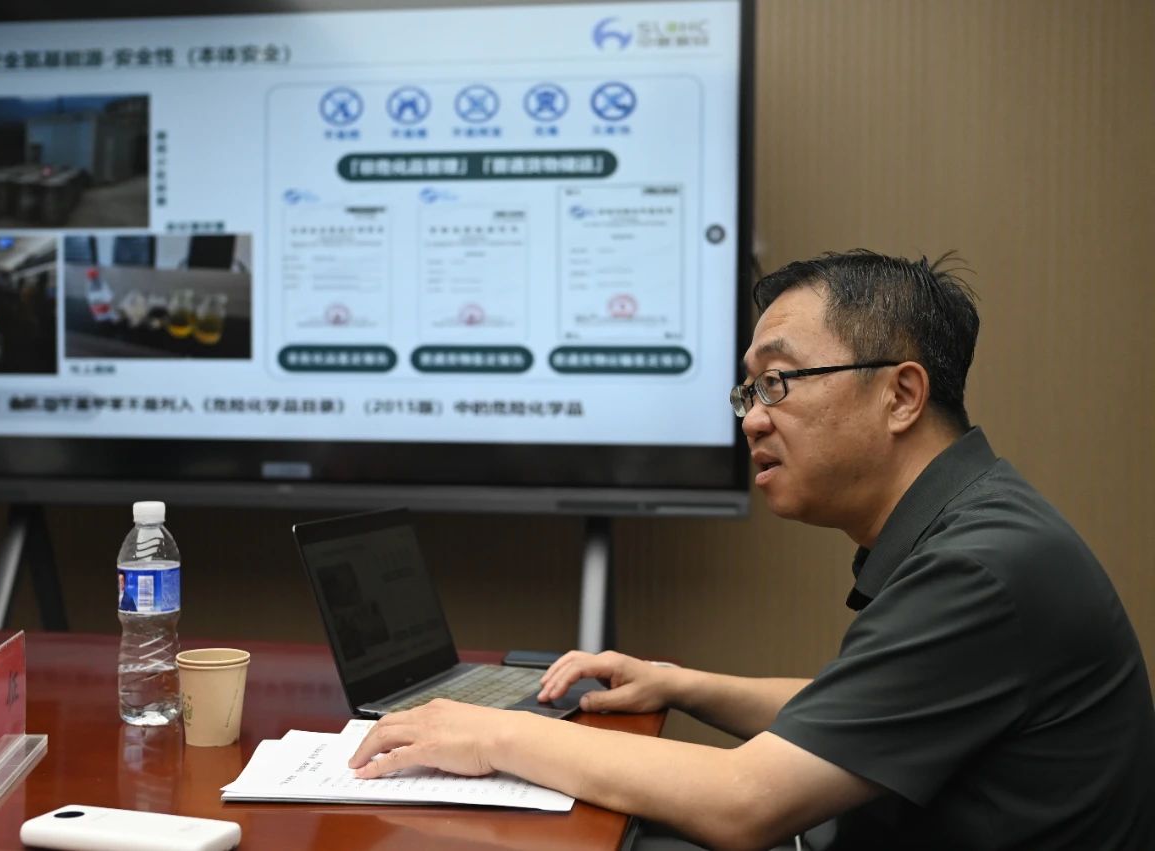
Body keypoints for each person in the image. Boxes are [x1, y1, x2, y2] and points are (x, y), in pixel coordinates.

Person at [349, 250, 1155, 850]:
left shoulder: (983, 567)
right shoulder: (977, 521)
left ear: (902, 394)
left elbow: (745, 801)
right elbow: (864, 709)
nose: (752, 418)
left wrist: (491, 734)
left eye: (778, 382)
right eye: (749, 390)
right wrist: (681, 683)